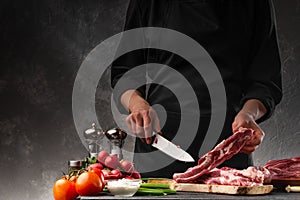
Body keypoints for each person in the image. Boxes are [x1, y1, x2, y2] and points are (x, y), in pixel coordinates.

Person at [111, 0, 282, 178]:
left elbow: (265, 81)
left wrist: (248, 115)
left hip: (227, 151)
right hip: (160, 147)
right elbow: (125, 74)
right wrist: (138, 106)